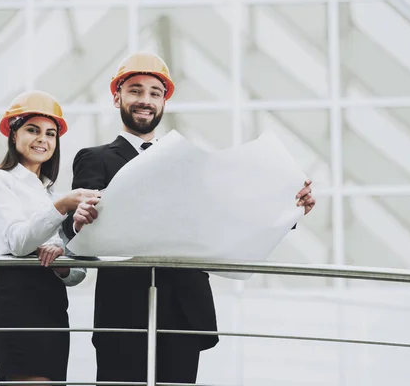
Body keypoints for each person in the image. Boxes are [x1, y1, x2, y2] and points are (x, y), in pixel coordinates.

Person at [62, 52, 316, 383]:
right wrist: (78, 220)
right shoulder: (95, 159)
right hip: (123, 303)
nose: (145, 100)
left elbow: (230, 213)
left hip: (183, 305)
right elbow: (72, 226)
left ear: (164, 102)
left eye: (155, 93)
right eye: (136, 90)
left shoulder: (189, 162)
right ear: (117, 97)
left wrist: (289, 205)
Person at [0, 90, 101, 384]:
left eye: (51, 133)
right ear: (13, 133)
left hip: (52, 302)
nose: (42, 139)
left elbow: (77, 272)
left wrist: (62, 264)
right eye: (32, 130)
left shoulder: (49, 194)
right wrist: (61, 207)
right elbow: (19, 242)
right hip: (16, 297)